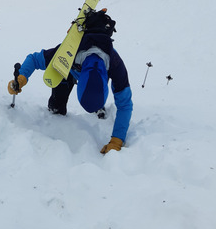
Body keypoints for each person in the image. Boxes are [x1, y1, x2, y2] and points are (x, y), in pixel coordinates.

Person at [7, 9, 133, 154]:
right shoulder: (67, 52)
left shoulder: (115, 64)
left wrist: (117, 139)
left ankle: (97, 104)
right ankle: (71, 102)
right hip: (66, 71)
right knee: (56, 109)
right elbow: (35, 59)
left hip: (89, 76)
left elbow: (125, 105)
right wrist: (22, 78)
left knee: (93, 96)